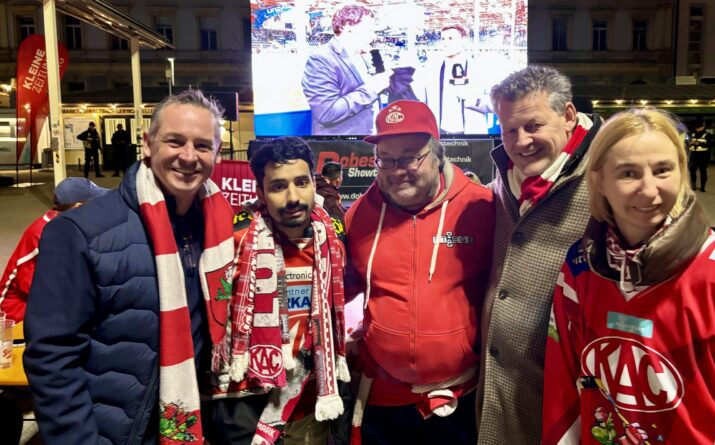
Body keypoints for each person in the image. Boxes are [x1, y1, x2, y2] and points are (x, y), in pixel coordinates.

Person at [543, 107, 715, 443]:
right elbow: (563, 385)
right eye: (628, 173)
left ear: (682, 172)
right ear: (599, 180)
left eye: (663, 170)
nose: (649, 190)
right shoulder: (581, 266)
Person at [24, 89, 235, 444]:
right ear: (147, 144)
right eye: (174, 141)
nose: (188, 156)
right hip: (111, 434)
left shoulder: (219, 230)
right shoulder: (81, 232)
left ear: (216, 152)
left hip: (188, 426)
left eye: (202, 145)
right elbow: (52, 357)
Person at [345, 100, 495, 443]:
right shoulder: (360, 215)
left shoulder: (480, 207)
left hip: (456, 400)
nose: (397, 170)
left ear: (437, 154)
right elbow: (342, 287)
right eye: (385, 159)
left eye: (411, 156)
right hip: (383, 401)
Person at [476, 64, 602, 444]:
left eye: (533, 126)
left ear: (567, 116)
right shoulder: (504, 177)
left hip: (568, 391)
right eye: (509, 129)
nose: (521, 141)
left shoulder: (604, 175)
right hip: (498, 385)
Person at [204, 137, 349, 445]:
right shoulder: (235, 246)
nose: (293, 196)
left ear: (314, 183)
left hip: (311, 408)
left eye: (301, 182)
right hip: (249, 406)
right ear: (260, 192)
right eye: (279, 186)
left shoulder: (332, 247)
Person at [0, 178, 107, 322]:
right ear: (77, 207)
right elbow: (35, 287)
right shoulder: (44, 233)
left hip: (40, 301)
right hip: (16, 311)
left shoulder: (67, 225)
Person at [301, 4, 415, 136]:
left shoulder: (361, 55)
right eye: (368, 30)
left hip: (369, 143)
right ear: (348, 28)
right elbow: (327, 112)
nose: (372, 37)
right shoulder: (321, 59)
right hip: (342, 150)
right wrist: (372, 88)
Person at [413, 24, 492, 135]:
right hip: (439, 135)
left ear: (463, 41)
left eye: (450, 38)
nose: (445, 43)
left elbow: (496, 103)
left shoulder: (480, 68)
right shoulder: (430, 70)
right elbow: (421, 104)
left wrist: (474, 101)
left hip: (471, 136)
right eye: (443, 39)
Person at [688, 119, 712, 192]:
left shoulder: (707, 135)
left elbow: (710, 144)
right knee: (692, 171)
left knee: (703, 171)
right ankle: (693, 186)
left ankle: (702, 187)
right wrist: (690, 143)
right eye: (696, 127)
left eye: (699, 127)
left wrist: (700, 144)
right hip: (694, 155)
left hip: (703, 155)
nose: (697, 129)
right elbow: (688, 142)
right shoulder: (692, 134)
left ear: (702, 127)